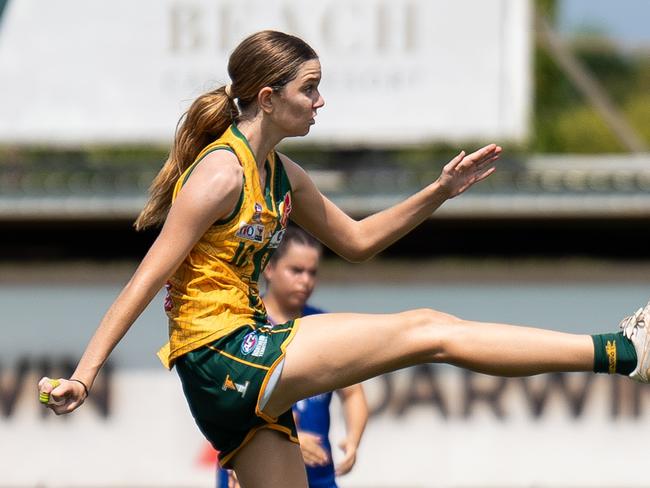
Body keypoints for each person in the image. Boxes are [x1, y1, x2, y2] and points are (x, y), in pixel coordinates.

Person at [38, 30, 650, 488]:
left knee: (428, 331)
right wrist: (85, 376)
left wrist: (438, 191)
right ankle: (624, 352)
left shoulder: (283, 173)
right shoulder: (222, 172)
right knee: (427, 329)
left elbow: (356, 243)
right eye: (310, 88)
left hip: (231, 374)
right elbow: (147, 278)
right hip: (222, 354)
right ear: (270, 97)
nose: (321, 101)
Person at [217, 226, 368, 488]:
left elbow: (353, 391)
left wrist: (353, 439)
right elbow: (224, 398)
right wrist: (289, 437)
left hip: (317, 475)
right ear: (269, 268)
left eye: (312, 272)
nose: (305, 280)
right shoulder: (243, 324)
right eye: (296, 270)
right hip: (252, 474)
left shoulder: (323, 325)